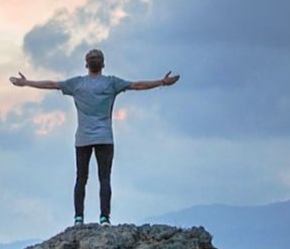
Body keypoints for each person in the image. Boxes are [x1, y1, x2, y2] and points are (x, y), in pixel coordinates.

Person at [10, 49, 179, 226]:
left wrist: (26, 82)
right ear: (103, 64)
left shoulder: (77, 84)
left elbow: (52, 84)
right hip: (105, 138)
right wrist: (162, 82)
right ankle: (104, 218)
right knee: (104, 178)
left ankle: (78, 218)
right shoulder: (112, 83)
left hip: (83, 139)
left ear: (86, 64)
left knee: (81, 178)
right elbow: (137, 85)